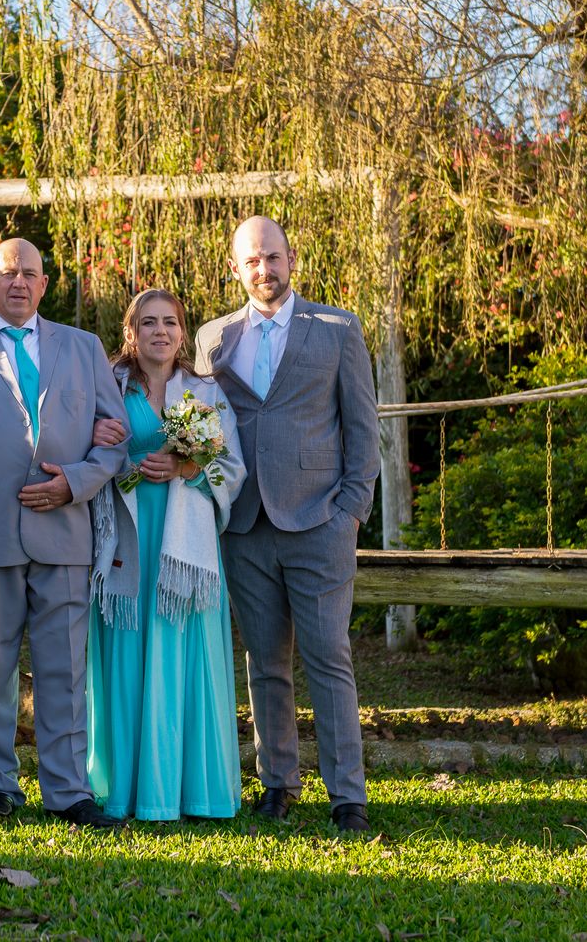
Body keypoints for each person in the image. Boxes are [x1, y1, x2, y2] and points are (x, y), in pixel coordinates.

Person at [0, 237, 128, 828]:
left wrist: (75, 483)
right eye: (6, 272)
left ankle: (68, 791)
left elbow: (115, 440)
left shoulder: (84, 348)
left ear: (44, 284)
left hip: (65, 529)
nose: (18, 282)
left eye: (29, 273)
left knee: (66, 668)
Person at [193, 216, 380, 832]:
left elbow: (363, 430)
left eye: (272, 257)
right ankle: (277, 782)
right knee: (264, 662)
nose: (264, 269)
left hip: (320, 520)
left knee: (329, 658)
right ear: (235, 268)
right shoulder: (213, 339)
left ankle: (346, 794)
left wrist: (350, 512)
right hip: (244, 525)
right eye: (251, 260)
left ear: (292, 258)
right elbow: (201, 423)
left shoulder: (337, 329)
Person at [86, 289, 246, 821]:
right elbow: (79, 442)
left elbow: (233, 467)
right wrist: (97, 438)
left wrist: (188, 467)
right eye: (149, 322)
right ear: (130, 332)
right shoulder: (108, 386)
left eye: (170, 323)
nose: (160, 331)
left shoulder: (205, 391)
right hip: (127, 537)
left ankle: (192, 791)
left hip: (185, 546)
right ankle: (127, 791)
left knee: (184, 655)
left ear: (182, 333)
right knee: (127, 654)